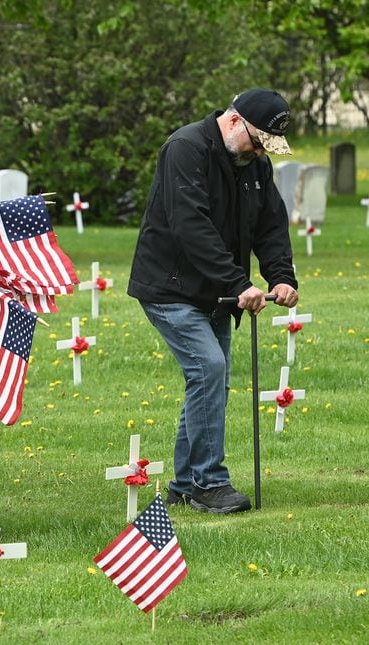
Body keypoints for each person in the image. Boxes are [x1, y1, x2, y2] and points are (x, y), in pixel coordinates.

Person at [128, 88, 300, 514]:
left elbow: (270, 225)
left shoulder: (254, 165)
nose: (261, 154)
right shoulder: (185, 148)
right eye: (258, 142)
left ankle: (184, 484)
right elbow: (191, 226)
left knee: (209, 380)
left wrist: (280, 278)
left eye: (267, 148)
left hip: (218, 293)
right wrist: (239, 282)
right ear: (235, 121)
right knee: (210, 368)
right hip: (169, 287)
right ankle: (209, 483)